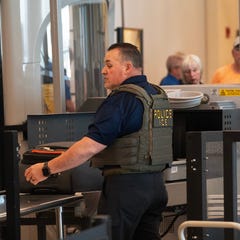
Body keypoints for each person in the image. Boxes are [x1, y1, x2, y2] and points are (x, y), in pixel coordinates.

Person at [25, 43, 170, 240]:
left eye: (109, 65)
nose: (103, 71)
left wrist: (46, 169)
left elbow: (89, 147)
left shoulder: (120, 100)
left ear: (127, 67)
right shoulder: (157, 96)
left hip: (126, 189)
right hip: (156, 186)